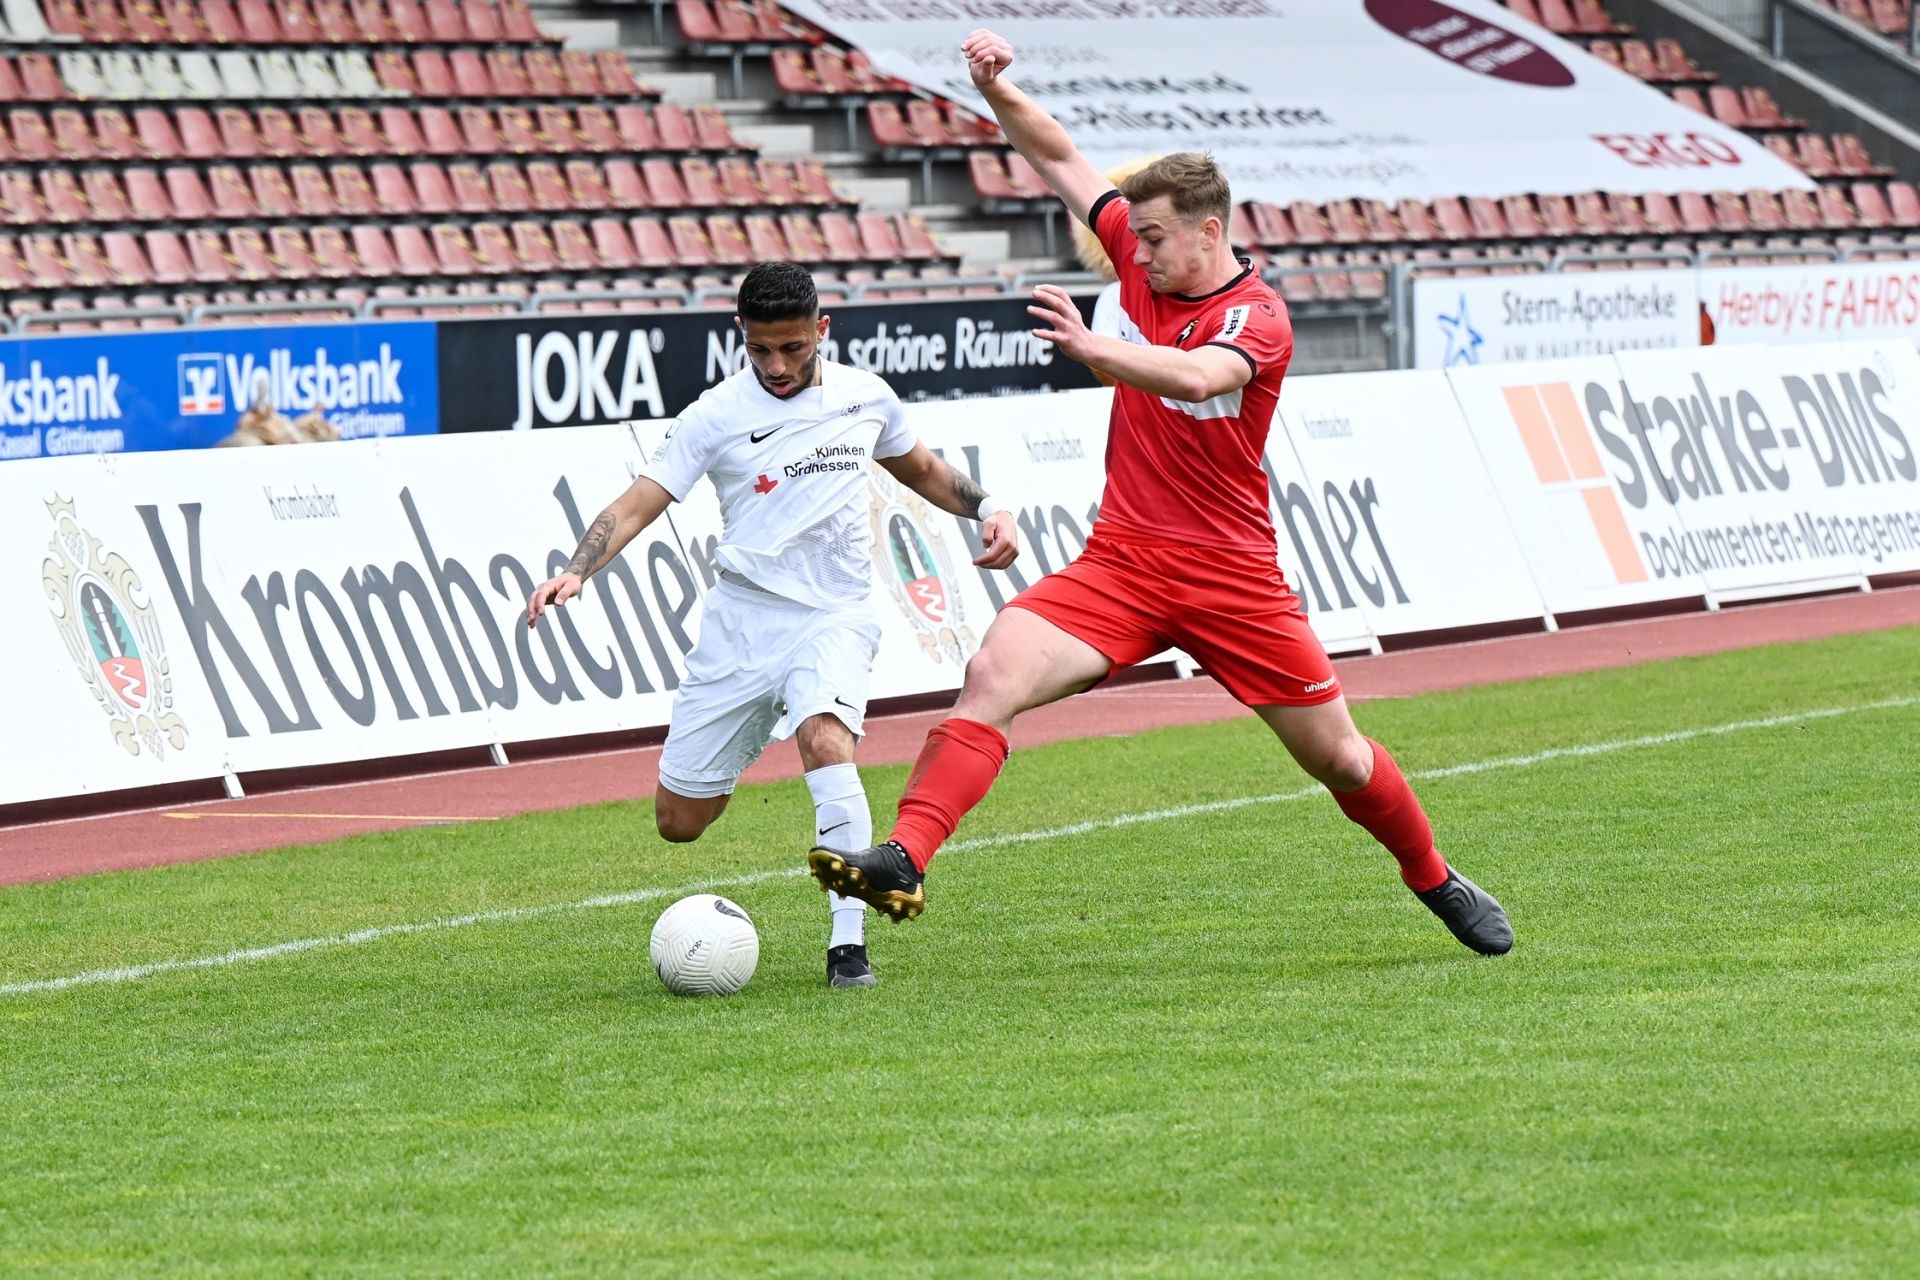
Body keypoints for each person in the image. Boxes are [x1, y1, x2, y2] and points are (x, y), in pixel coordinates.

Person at [808, 30, 1513, 957]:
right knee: (993, 673)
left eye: (1152, 239)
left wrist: (1095, 347)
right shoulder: (1142, 259)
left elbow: (1198, 376)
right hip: (1124, 563)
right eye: (1132, 236)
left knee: (1340, 757)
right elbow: (1059, 158)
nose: (1133, 256)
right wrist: (997, 90)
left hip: (1232, 577)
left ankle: (1432, 876)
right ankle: (905, 858)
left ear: (1208, 231)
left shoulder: (1256, 317)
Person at [527, 263, 1022, 987]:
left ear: (822, 330)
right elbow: (637, 503)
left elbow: (921, 469)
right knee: (679, 821)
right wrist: (577, 569)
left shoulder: (865, 397)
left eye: (792, 347)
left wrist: (989, 508)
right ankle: (755, 726)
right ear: (740, 333)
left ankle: (848, 949)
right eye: (760, 349)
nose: (777, 365)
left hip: (834, 614)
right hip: (742, 624)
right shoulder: (715, 414)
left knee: (825, 737)